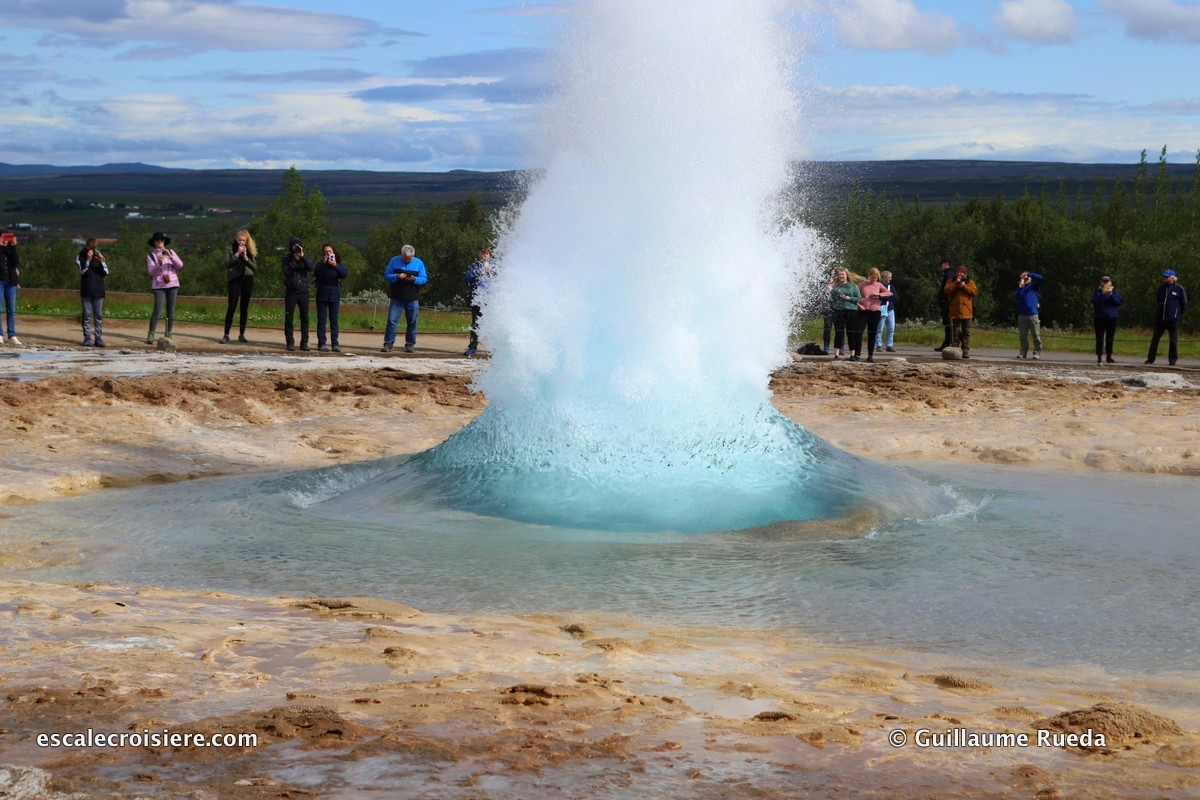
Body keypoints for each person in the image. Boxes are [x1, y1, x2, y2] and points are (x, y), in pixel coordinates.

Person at [382, 244, 428, 353]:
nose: (407, 260)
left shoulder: (419, 263)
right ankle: (388, 344)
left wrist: (414, 279)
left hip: (412, 298)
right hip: (396, 297)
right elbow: (386, 275)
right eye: (405, 258)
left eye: (410, 258)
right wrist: (396, 276)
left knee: (412, 321)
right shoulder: (394, 261)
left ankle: (410, 344)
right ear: (401, 255)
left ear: (413, 256)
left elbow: (424, 278)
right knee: (392, 321)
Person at [146, 232, 183, 344]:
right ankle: (151, 334)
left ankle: (168, 334)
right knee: (157, 310)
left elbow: (180, 265)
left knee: (170, 310)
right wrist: (159, 263)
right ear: (154, 242)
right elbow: (151, 272)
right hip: (159, 286)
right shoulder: (151, 256)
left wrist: (170, 257)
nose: (159, 242)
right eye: (157, 240)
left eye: (161, 240)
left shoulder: (171, 252)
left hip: (172, 284)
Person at [1145, 269, 1188, 366]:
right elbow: (1158, 300)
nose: (1164, 278)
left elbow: (1184, 304)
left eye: (1167, 276)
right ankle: (1150, 359)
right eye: (1164, 276)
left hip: (1173, 320)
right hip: (1161, 319)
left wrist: (1177, 314)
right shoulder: (1161, 288)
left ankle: (1172, 360)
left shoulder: (1179, 289)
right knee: (1155, 339)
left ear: (1172, 278)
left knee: (1173, 341)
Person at [221, 230, 257, 344]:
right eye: (239, 240)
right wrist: (236, 254)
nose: (241, 242)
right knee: (232, 306)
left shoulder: (250, 251)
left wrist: (246, 258)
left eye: (244, 240)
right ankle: (226, 334)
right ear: (236, 239)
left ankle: (242, 334)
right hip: (235, 280)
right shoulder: (229, 249)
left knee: (244, 307)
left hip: (247, 279)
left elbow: (254, 267)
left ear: (247, 241)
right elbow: (227, 264)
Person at [314, 243, 347, 352]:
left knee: (334, 320)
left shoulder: (338, 264)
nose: (328, 253)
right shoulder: (320, 264)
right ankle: (322, 343)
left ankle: (335, 343)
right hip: (322, 294)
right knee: (322, 320)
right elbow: (316, 274)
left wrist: (335, 265)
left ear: (333, 252)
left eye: (329, 251)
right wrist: (323, 263)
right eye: (326, 252)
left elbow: (344, 274)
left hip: (334, 294)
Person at [282, 237, 312, 351]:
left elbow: (310, 267)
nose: (296, 247)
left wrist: (302, 257)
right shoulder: (286, 259)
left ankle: (304, 342)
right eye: (294, 245)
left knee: (305, 318)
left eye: (298, 245)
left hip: (303, 291)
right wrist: (295, 260)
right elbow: (287, 271)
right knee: (289, 317)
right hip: (291, 291)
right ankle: (290, 342)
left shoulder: (305, 258)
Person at [77, 238, 109, 348]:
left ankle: (98, 338)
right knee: (86, 315)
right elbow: (82, 271)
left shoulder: (98, 257)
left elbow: (106, 272)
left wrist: (102, 260)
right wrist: (88, 260)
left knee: (98, 315)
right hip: (87, 289)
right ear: (86, 247)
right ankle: (87, 337)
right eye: (91, 248)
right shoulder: (80, 257)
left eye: (94, 248)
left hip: (99, 290)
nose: (93, 250)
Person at [463, 245, 494, 356]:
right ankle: (473, 347)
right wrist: (479, 271)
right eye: (482, 253)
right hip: (477, 298)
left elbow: (501, 277)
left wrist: (491, 270)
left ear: (490, 254)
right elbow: (468, 278)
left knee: (492, 323)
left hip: (491, 298)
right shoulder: (474, 265)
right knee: (476, 323)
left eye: (486, 253)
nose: (484, 255)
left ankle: (494, 348)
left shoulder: (495, 265)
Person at [856, 267, 892, 363]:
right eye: (872, 277)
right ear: (868, 275)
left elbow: (889, 293)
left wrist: (879, 295)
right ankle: (857, 355)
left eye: (876, 278)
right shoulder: (861, 284)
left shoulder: (879, 285)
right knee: (858, 333)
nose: (874, 279)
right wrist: (858, 304)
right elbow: (854, 295)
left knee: (872, 334)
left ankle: (870, 356)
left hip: (875, 311)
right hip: (863, 311)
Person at [944, 264, 978, 359]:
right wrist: (956, 283)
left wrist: (964, 286)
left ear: (965, 273)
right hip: (954, 312)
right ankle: (955, 350)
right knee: (955, 332)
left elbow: (974, 292)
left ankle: (965, 350)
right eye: (958, 272)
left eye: (962, 272)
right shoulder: (951, 281)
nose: (960, 274)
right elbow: (946, 290)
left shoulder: (970, 282)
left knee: (966, 333)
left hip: (967, 312)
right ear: (956, 273)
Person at [828, 266, 861, 361]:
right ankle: (836, 355)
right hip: (838, 310)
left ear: (847, 275)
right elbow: (832, 298)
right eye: (840, 275)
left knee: (851, 333)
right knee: (839, 332)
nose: (841, 276)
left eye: (843, 274)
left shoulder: (853, 286)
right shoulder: (835, 286)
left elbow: (858, 299)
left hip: (851, 310)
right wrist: (831, 287)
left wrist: (848, 298)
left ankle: (852, 355)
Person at [1091, 275, 1123, 365]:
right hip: (1099, 318)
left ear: (1110, 283)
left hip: (1111, 318)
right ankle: (1099, 357)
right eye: (1103, 281)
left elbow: (1119, 302)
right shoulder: (1097, 292)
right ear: (1101, 282)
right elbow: (1095, 302)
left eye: (1107, 281)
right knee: (1099, 338)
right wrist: (1103, 294)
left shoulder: (1114, 292)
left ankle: (1109, 357)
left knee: (1110, 339)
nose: (1105, 283)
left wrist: (1111, 294)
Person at [1013, 270, 1044, 360]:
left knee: (1036, 335)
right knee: (1023, 336)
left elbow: (1040, 278)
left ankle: (1037, 352)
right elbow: (1017, 297)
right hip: (1022, 315)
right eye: (1024, 278)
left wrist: (1029, 274)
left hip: (1032, 314)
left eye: (1027, 278)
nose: (1026, 279)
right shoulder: (1021, 289)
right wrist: (1020, 286)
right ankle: (1023, 352)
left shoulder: (1034, 286)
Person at [0, 231, 21, 345]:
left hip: (11, 282)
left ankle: (12, 335)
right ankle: (0, 335)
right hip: (0, 281)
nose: (6, 240)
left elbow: (15, 262)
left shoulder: (10, 249)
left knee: (11, 310)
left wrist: (13, 247)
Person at [875, 270, 897, 353]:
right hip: (882, 308)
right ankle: (879, 345)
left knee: (891, 328)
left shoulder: (891, 287)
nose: (890, 279)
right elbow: (877, 297)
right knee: (880, 328)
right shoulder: (878, 286)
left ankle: (889, 345)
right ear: (884, 277)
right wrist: (887, 296)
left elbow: (895, 298)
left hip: (890, 309)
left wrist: (885, 297)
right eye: (889, 277)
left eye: (890, 277)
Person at [935, 258, 954, 351]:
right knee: (948, 324)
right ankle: (948, 342)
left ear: (947, 264)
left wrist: (944, 299)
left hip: (946, 303)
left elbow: (948, 289)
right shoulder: (948, 273)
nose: (941, 266)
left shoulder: (949, 274)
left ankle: (948, 343)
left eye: (942, 264)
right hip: (946, 302)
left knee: (948, 324)